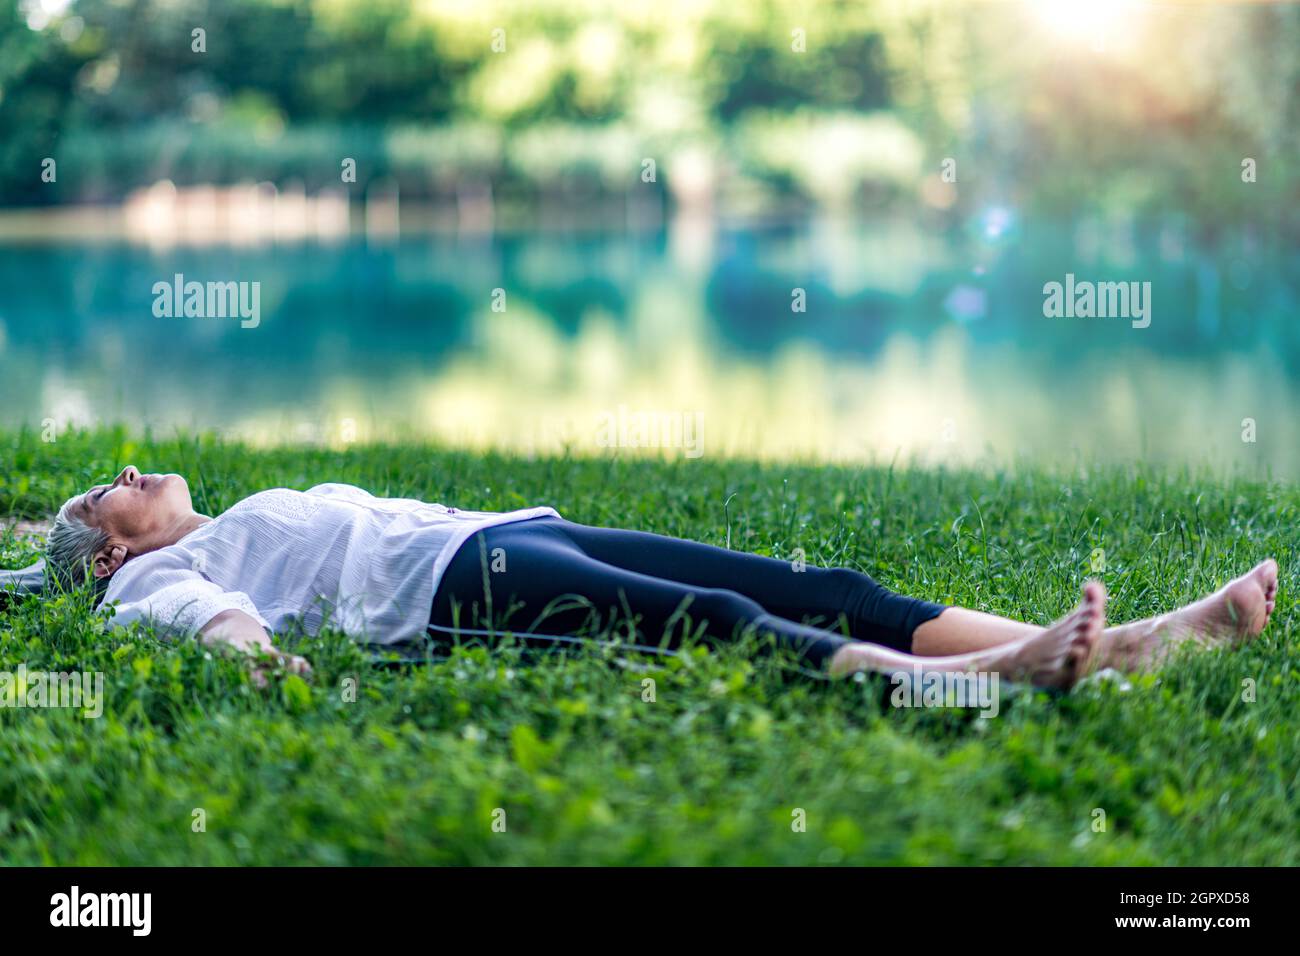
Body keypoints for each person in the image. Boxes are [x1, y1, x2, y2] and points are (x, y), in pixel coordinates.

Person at [1, 466, 1279, 690]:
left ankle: (1130, 643)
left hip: (516, 530)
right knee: (718, 625)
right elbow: (205, 619)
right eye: (106, 486)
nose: (131, 468)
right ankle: (988, 680)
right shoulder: (131, 589)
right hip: (457, 594)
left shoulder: (223, 512)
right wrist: (263, 660)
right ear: (108, 545)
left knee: (820, 576)